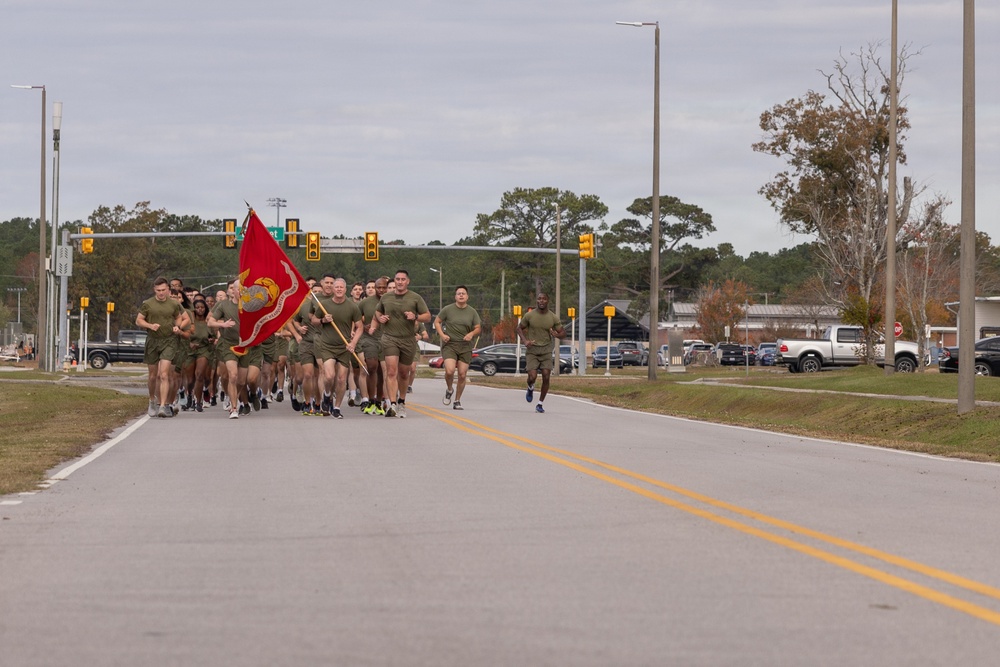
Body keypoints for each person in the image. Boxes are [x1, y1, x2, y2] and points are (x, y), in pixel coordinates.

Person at [372, 269, 430, 418]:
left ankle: (401, 402)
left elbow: (427, 316)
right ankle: (391, 404)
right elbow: (377, 312)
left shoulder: (415, 298)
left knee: (404, 373)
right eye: (397, 279)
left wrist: (415, 316)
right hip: (390, 338)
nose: (400, 282)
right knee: (391, 371)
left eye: (403, 279)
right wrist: (381, 318)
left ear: (407, 281)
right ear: (394, 281)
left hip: (408, 339)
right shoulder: (385, 297)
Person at [136, 277, 191, 418]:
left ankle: (163, 406)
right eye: (158, 290)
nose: (161, 293)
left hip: (169, 341)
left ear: (168, 289)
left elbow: (182, 318)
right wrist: (150, 326)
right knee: (153, 375)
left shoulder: (174, 303)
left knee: (164, 374)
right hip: (153, 341)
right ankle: (152, 400)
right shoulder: (147, 304)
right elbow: (139, 320)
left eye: (163, 290)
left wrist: (177, 327)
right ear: (154, 290)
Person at [310, 275, 363, 419]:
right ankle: (327, 395)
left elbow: (360, 327)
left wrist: (353, 343)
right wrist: (323, 320)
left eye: (341, 287)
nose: (339, 289)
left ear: (345, 290)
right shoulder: (324, 305)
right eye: (336, 287)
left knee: (341, 379)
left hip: (344, 347)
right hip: (327, 345)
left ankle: (337, 407)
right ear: (333, 289)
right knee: (329, 376)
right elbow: (314, 320)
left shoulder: (352, 306)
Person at [434, 285, 481, 410]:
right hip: (450, 344)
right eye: (459, 293)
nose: (461, 295)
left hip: (465, 346)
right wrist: (442, 335)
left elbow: (478, 328)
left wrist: (471, 334)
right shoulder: (448, 309)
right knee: (449, 371)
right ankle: (449, 389)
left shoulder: (472, 312)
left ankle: (457, 400)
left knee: (462, 374)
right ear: (455, 296)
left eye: (463, 293)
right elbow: (437, 321)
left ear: (467, 296)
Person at [517, 292, 565, 413]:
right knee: (532, 376)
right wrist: (525, 341)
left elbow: (563, 333)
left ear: (548, 301)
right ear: (536, 301)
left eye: (544, 299)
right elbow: (519, 328)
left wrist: (557, 335)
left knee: (546, 376)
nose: (541, 301)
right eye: (539, 299)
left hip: (546, 350)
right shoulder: (529, 315)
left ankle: (540, 403)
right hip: (532, 350)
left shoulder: (553, 317)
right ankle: (530, 386)